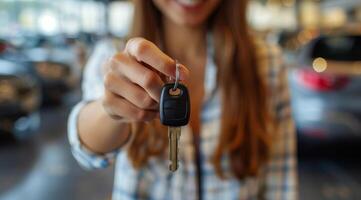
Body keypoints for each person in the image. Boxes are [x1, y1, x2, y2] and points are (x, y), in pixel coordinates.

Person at [68, 0, 298, 199]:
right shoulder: (114, 57)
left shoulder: (267, 62)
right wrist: (111, 109)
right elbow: (86, 152)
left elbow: (281, 181)